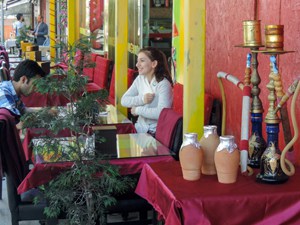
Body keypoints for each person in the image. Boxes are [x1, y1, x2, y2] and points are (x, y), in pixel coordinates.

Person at [121, 47, 173, 135]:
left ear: (154, 64)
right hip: (139, 128)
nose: (137, 64)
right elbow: (124, 100)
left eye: (142, 60)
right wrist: (142, 100)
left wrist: (138, 110)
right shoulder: (140, 79)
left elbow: (161, 113)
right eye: (138, 61)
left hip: (156, 132)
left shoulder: (163, 84)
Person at [0, 59, 46, 124]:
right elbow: (17, 123)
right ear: (23, 79)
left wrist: (46, 111)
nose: (36, 89)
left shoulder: (14, 91)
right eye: (35, 84)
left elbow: (22, 110)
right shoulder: (4, 93)